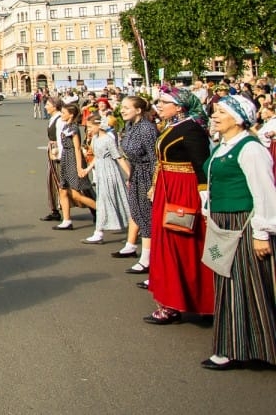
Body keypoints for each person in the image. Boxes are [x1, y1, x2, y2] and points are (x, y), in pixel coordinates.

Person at [201, 95, 276, 369]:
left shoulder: (250, 149)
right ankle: (232, 345)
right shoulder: (224, 145)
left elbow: (265, 192)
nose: (215, 116)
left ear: (239, 117)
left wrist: (262, 233)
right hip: (223, 224)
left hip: (243, 225)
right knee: (227, 284)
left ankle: (256, 347)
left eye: (221, 112)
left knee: (248, 285)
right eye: (214, 112)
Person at [145, 86, 213, 325]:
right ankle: (170, 299)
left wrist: (204, 199)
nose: (159, 105)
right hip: (168, 188)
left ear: (179, 107)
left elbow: (202, 167)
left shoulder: (191, 129)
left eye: (164, 102)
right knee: (167, 245)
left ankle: (197, 301)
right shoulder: (172, 127)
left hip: (183, 192)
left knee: (183, 245)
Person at [112, 95, 159, 273]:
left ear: (138, 110)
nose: (122, 110)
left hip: (148, 174)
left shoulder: (147, 129)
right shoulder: (130, 126)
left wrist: (154, 185)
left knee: (147, 218)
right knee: (137, 213)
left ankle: (147, 260)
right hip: (137, 174)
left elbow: (155, 159)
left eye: (126, 107)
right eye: (122, 107)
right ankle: (141, 253)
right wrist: (131, 175)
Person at [80, 114, 129, 245]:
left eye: (90, 127)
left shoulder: (108, 139)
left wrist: (129, 174)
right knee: (106, 200)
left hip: (110, 172)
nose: (88, 130)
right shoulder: (95, 138)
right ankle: (101, 231)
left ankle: (99, 233)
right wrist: (88, 169)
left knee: (107, 200)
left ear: (99, 125)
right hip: (101, 172)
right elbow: (97, 156)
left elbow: (118, 157)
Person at [52, 103, 97, 230]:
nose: (62, 114)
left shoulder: (74, 128)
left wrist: (79, 167)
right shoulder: (66, 126)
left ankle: (102, 210)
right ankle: (67, 221)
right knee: (63, 190)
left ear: (71, 115)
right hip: (66, 157)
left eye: (64, 112)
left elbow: (77, 148)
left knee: (76, 194)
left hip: (73, 158)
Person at [40, 97, 64, 222]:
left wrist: (58, 151)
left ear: (55, 106)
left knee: (62, 181)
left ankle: (95, 208)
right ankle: (55, 209)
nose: (45, 107)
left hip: (57, 151)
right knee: (53, 180)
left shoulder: (60, 119)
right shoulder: (54, 118)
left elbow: (62, 138)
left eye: (48, 104)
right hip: (53, 150)